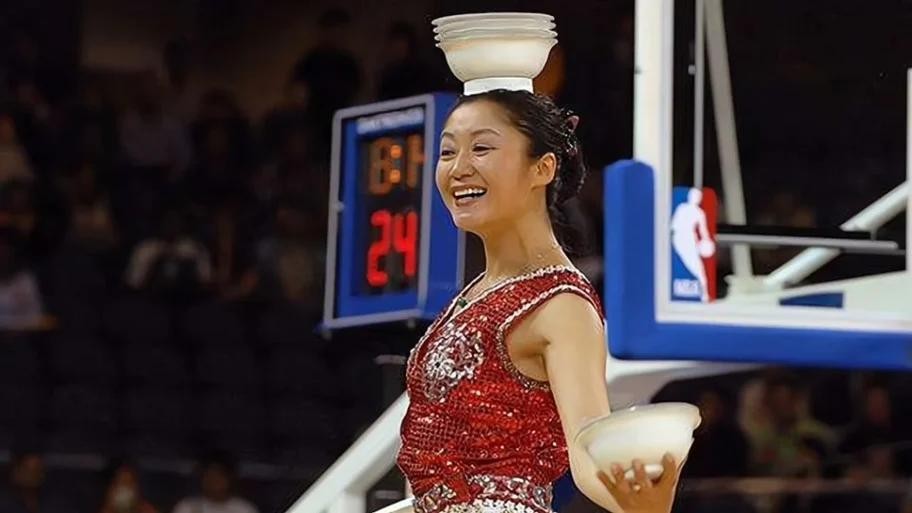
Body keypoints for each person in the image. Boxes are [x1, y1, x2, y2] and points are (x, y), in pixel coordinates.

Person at [395, 88, 684, 513]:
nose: (459, 168)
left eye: (481, 148)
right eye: (448, 152)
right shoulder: (474, 295)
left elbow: (589, 453)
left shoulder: (561, 304)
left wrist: (643, 504)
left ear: (543, 168)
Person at [171, 455, 258, 513]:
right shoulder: (187, 507)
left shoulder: (244, 509)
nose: (213, 481)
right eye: (208, 476)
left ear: (230, 478)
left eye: (218, 475)